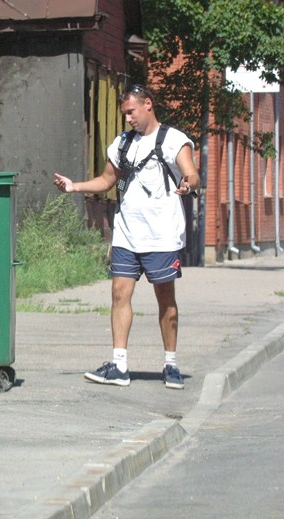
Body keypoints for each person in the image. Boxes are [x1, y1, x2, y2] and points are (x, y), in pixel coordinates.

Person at [53, 85, 199, 389]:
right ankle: (119, 365)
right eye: (125, 114)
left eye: (131, 112)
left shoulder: (173, 139)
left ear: (148, 104)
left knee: (165, 298)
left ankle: (170, 364)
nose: (128, 118)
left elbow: (192, 172)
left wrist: (189, 182)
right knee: (119, 294)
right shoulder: (122, 143)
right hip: (127, 234)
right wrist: (74, 187)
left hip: (161, 235)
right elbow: (107, 180)